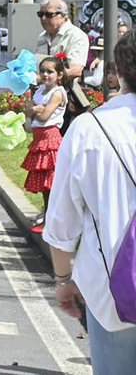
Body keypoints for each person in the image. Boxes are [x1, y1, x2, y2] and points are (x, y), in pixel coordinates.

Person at [47, 33, 136, 373]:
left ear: (119, 72)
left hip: (112, 288)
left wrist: (63, 279)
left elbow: (62, 224)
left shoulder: (89, 129)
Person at [25, 56, 68, 232]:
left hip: (50, 139)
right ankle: (48, 218)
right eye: (42, 71)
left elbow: (44, 116)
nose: (45, 74)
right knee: (45, 184)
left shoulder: (57, 93)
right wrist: (34, 109)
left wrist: (34, 110)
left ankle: (51, 221)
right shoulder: (41, 91)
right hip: (40, 139)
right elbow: (27, 108)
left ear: (59, 75)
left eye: (50, 71)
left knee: (52, 183)